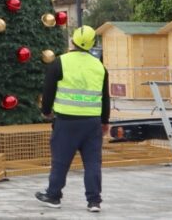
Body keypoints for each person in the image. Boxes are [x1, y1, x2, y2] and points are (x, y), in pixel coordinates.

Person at [35, 25, 110, 213]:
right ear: (92, 44)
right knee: (93, 162)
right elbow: (105, 97)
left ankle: (53, 196)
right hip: (92, 123)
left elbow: (48, 90)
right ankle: (94, 201)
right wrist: (105, 121)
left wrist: (46, 111)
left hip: (66, 122)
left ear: (73, 41)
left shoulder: (60, 62)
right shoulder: (99, 66)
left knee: (61, 160)